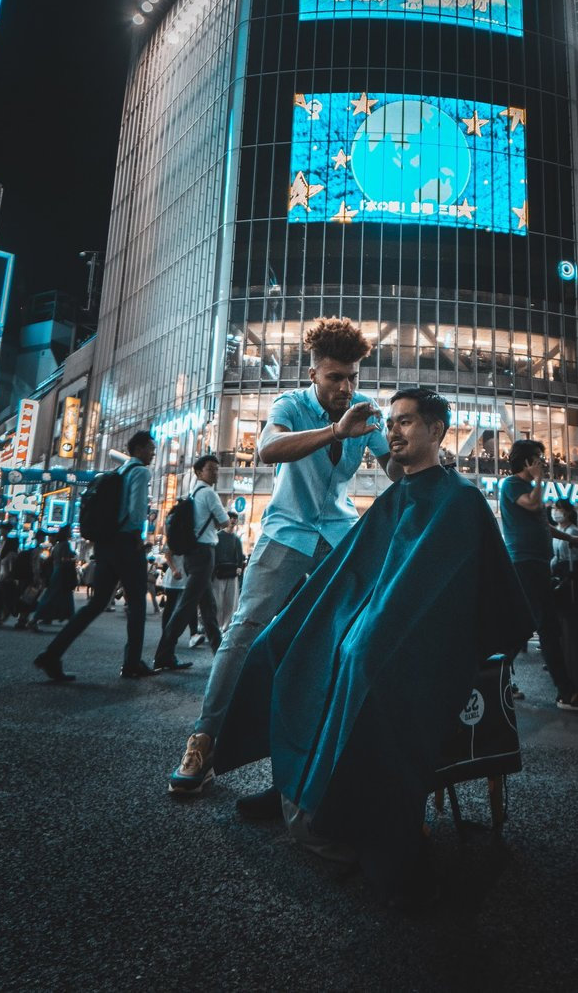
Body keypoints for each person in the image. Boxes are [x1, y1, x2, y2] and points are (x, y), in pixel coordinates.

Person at [212, 388, 534, 908]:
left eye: (406, 422)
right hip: (376, 617)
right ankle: (292, 781)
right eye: (390, 424)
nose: (393, 432)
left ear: (437, 431)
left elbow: (441, 591)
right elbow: (356, 574)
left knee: (361, 661)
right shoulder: (396, 497)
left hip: (422, 637)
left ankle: (355, 817)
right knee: (281, 641)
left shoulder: (461, 500)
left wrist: (373, 626)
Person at [168, 315, 397, 798]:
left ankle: (334, 754)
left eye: (352, 376)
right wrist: (336, 430)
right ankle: (204, 740)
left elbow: (395, 467)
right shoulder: (290, 403)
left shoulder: (365, 409)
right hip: (287, 531)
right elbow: (269, 449)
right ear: (313, 374)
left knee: (357, 634)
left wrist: (417, 455)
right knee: (244, 630)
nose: (346, 385)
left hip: (338, 532)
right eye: (335, 376)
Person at [33, 429, 157, 682]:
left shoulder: (119, 472)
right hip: (126, 544)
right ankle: (132, 662)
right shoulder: (141, 472)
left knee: (97, 603)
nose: (154, 453)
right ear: (140, 448)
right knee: (136, 604)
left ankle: (53, 654)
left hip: (105, 545)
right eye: (151, 448)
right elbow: (136, 511)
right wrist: (137, 538)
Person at [499, 440, 578, 712]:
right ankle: (566, 692)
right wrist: (540, 480)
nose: (543, 463)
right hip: (525, 562)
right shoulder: (512, 485)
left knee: (530, 625)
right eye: (538, 459)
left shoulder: (530, 488)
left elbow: (543, 524)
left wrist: (570, 539)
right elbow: (532, 507)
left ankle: (493, 677)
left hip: (537, 562)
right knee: (545, 626)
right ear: (526, 461)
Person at [152, 454, 230, 670]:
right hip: (204, 554)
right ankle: (163, 654)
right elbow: (224, 521)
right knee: (187, 606)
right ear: (198, 472)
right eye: (211, 469)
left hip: (191, 555)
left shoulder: (192, 494)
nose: (215, 472)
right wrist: (216, 523)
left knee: (208, 607)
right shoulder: (209, 494)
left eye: (216, 469)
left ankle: (220, 654)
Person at [212, 512, 245, 633]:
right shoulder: (217, 536)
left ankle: (225, 628)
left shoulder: (236, 539)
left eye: (235, 518)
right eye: (231, 518)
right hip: (219, 572)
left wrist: (240, 567)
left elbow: (240, 556)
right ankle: (216, 627)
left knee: (231, 603)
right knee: (218, 602)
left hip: (232, 573)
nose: (233, 520)